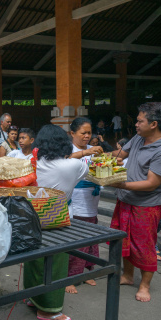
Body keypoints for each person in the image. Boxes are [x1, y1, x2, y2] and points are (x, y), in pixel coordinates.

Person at [24, 124, 88, 320]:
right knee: (56, 262)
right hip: (58, 219)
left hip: (31, 217)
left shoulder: (31, 163)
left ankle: (33, 298)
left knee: (34, 258)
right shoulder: (73, 165)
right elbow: (83, 172)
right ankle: (49, 309)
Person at [109, 102, 161, 302]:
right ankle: (127, 275)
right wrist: (94, 156)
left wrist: (120, 184)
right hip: (125, 200)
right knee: (124, 239)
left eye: (140, 121)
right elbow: (119, 156)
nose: (136, 124)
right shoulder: (138, 138)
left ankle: (144, 285)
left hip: (147, 204)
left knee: (144, 245)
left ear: (154, 124)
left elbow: (152, 183)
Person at [65, 117, 104, 294]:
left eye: (89, 133)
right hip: (76, 199)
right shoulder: (68, 150)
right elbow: (64, 161)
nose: (87, 136)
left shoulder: (93, 149)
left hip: (92, 199)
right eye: (83, 133)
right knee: (77, 240)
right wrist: (84, 153)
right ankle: (70, 276)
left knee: (91, 238)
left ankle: (87, 271)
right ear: (72, 133)